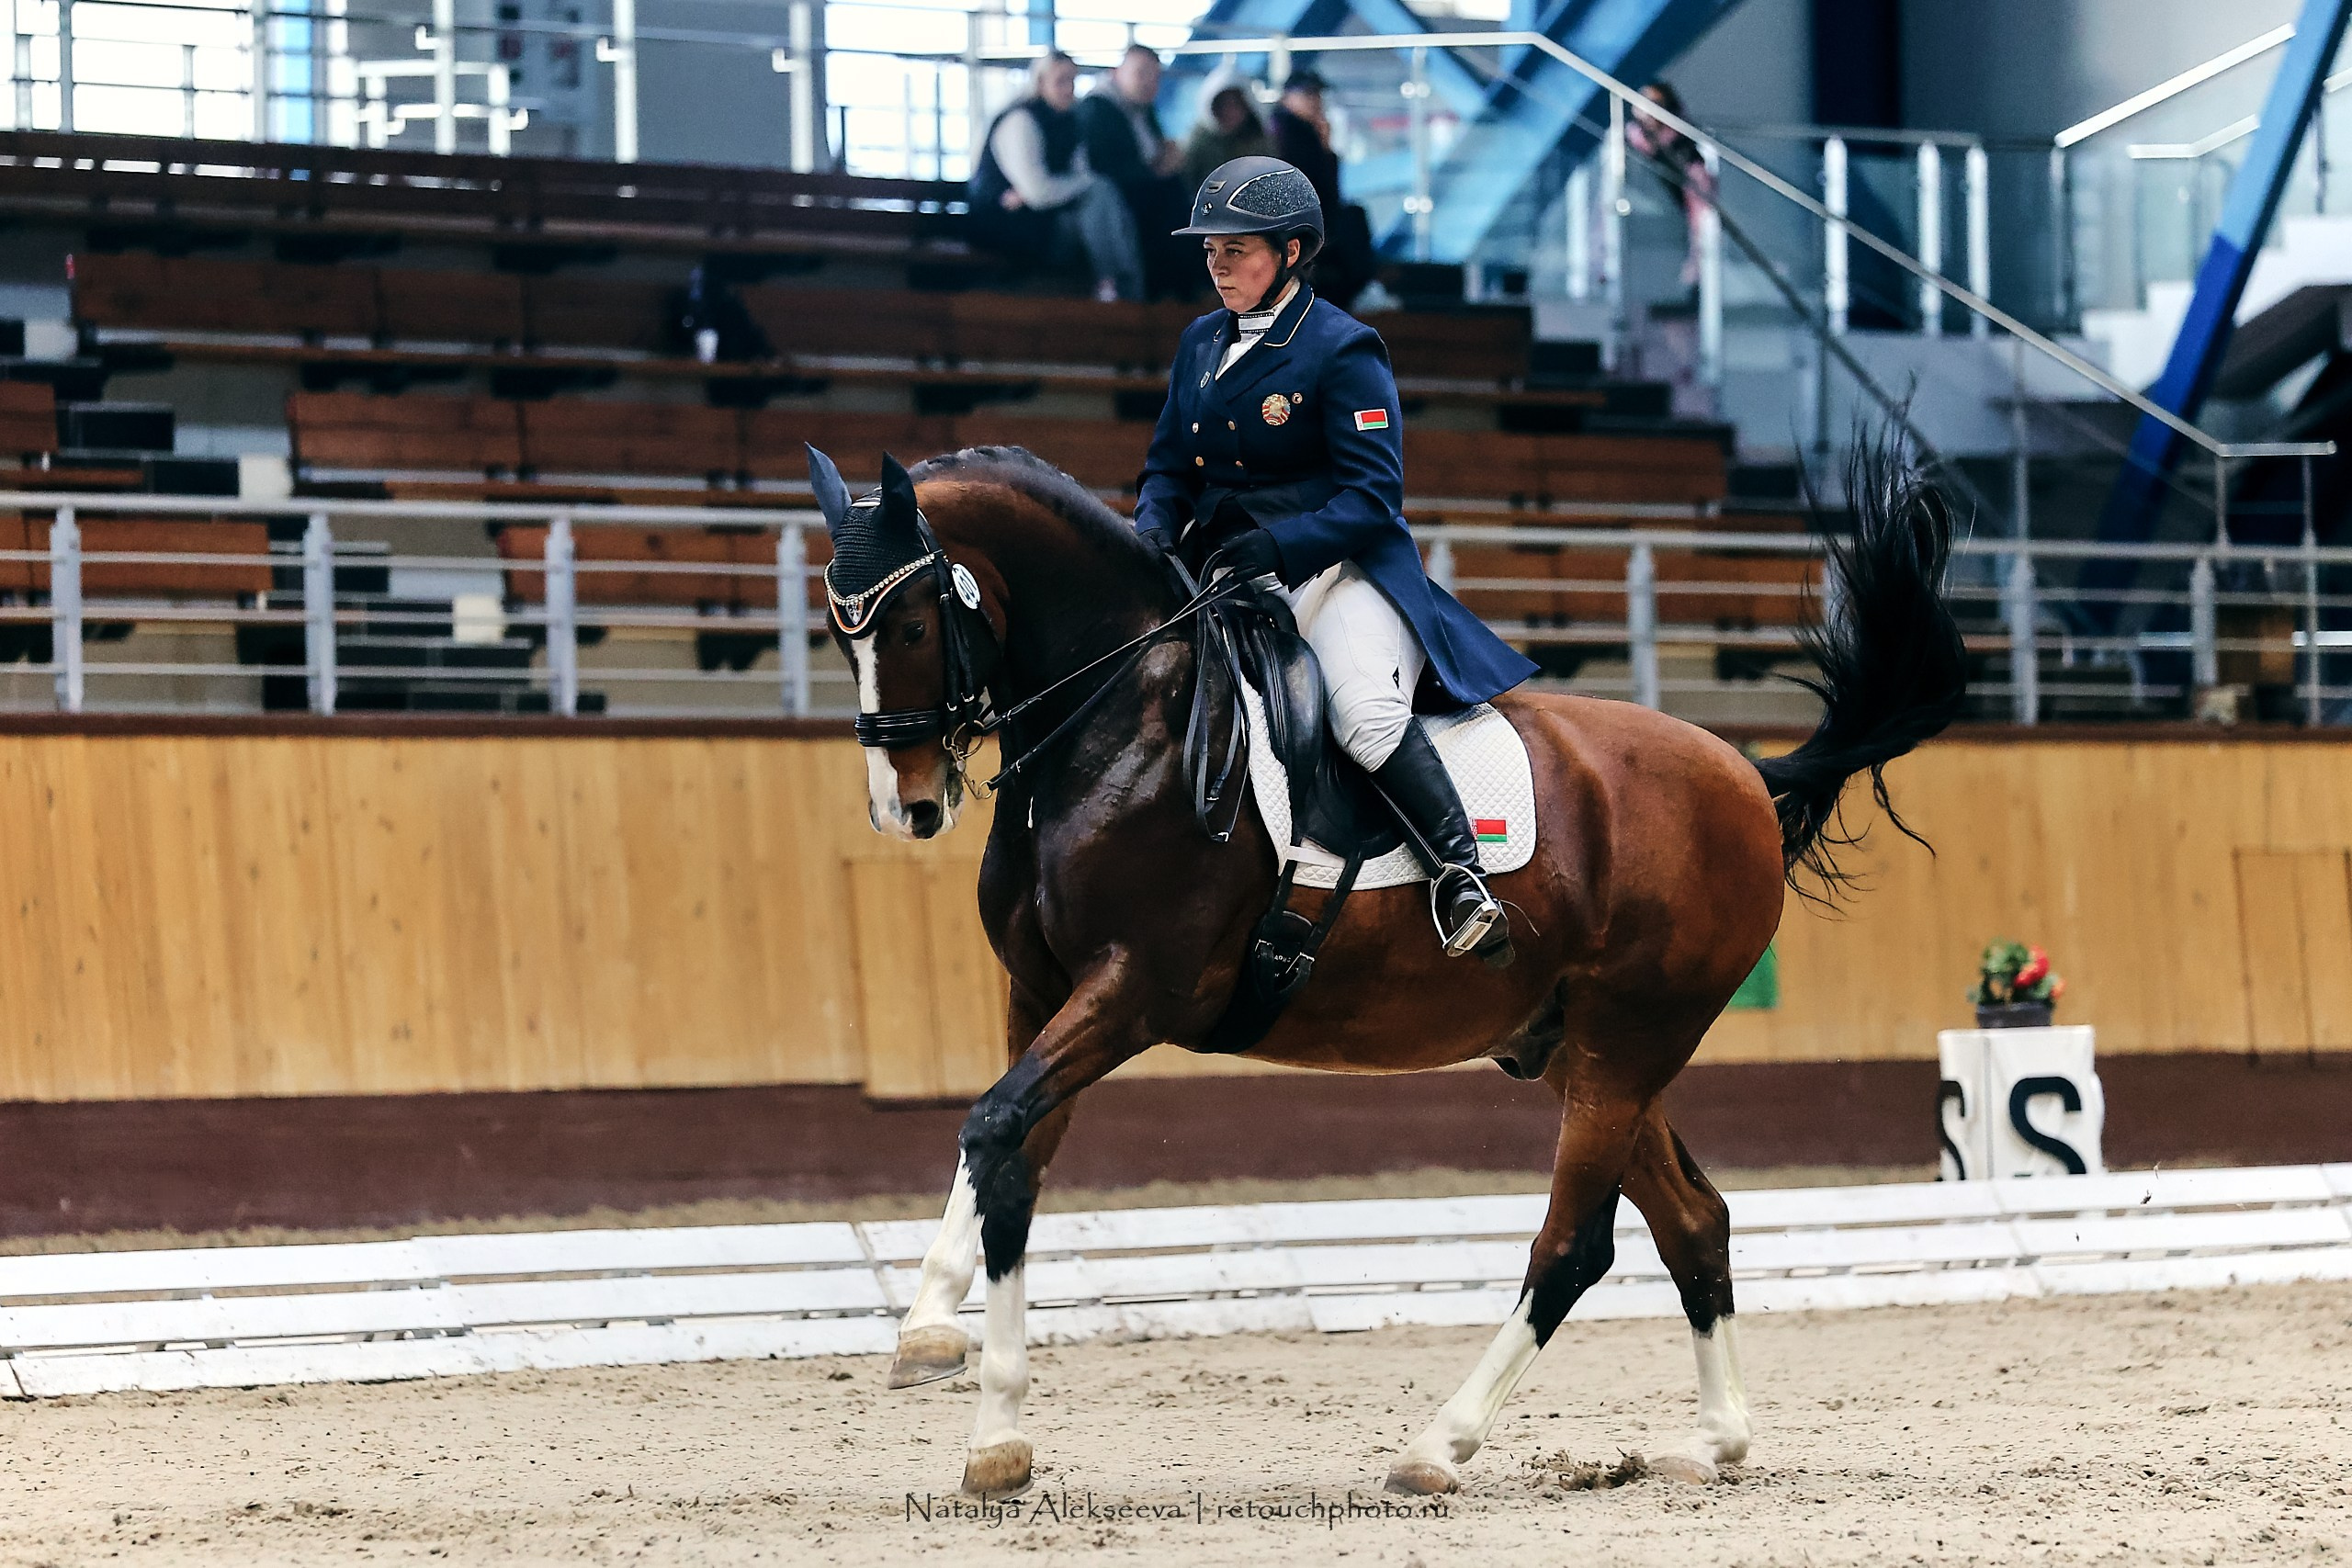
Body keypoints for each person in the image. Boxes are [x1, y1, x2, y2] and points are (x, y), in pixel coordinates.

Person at [1133, 156, 1537, 965]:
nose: (1218, 266)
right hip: (1224, 575)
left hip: (1335, 570)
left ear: (1289, 252)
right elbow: (1169, 467)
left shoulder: (1343, 347)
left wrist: (1277, 547)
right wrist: (1147, 541)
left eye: (1236, 250)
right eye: (1209, 251)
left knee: (1361, 710)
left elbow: (1371, 497)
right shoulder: (1200, 342)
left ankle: (1459, 874)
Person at [968, 51, 1146, 302]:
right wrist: (1058, 188)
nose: (1068, 89)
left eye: (1072, 81)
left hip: (1041, 217)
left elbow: (1067, 179)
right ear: (1041, 83)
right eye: (1060, 81)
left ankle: (1118, 285)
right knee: (1099, 192)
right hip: (1001, 221)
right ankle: (1119, 286)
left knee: (1105, 199)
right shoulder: (1021, 120)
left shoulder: (1072, 123)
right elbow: (1040, 192)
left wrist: (1050, 189)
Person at [1077, 44, 1192, 299]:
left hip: (1142, 194)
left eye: (1155, 77)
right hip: (1113, 201)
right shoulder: (1098, 109)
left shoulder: (1142, 109)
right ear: (1117, 73)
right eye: (1141, 74)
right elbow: (1106, 169)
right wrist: (1157, 171)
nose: (1149, 83)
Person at [1266, 69, 1376, 310]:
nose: (1315, 101)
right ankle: (1362, 288)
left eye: (1316, 95)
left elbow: (1329, 191)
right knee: (1352, 220)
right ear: (1287, 97)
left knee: (1353, 218)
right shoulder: (1285, 130)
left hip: (1314, 214)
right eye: (1307, 94)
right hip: (1294, 217)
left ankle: (1361, 287)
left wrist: (1326, 147)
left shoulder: (1308, 131)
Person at [1624, 80, 1716, 299]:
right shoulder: (1627, 141)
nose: (1646, 108)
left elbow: (1700, 214)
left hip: (1676, 223)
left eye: (1654, 102)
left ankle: (1695, 281)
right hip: (1638, 223)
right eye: (1641, 101)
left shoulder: (1685, 150)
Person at [1182, 72, 1272, 194]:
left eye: (1235, 104)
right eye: (1223, 105)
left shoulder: (1258, 139)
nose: (1230, 112)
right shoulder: (1199, 141)